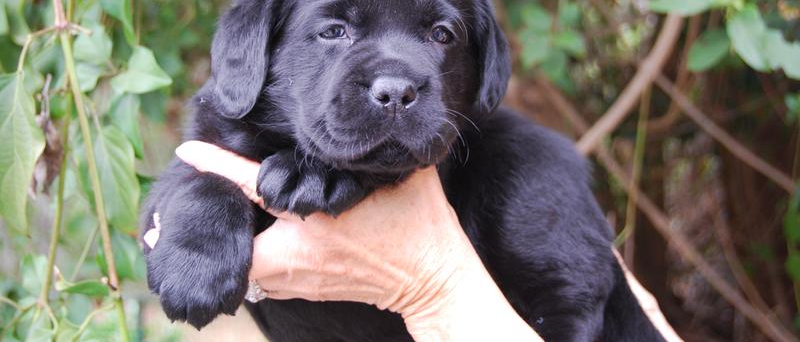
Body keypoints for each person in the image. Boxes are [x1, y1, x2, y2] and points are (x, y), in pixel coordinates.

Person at [164, 141, 677, 342]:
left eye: (439, 35)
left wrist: (431, 287)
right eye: (334, 32)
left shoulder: (518, 169)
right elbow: (172, 238)